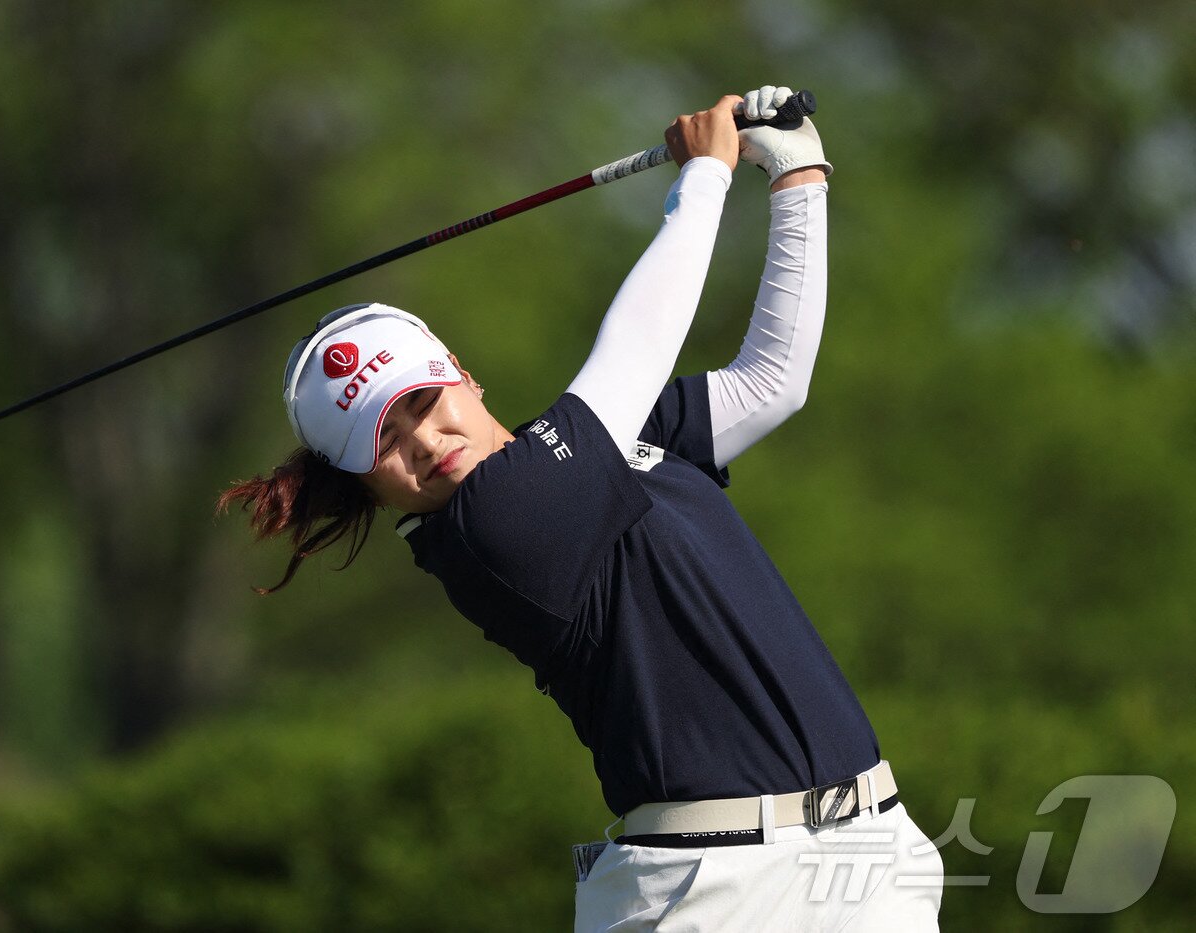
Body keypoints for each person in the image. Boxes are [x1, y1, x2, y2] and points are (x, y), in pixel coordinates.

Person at [220, 86, 944, 930]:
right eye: (385, 442)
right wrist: (703, 180)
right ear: (365, 484)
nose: (421, 440)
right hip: (716, 893)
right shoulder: (490, 528)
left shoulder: (585, 448)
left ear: (459, 371)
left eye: (421, 401)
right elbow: (637, 345)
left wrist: (796, 176)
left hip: (866, 858)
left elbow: (770, 383)